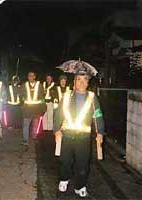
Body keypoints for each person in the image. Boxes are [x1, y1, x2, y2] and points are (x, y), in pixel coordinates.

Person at [54, 69, 105, 197]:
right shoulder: (66, 97)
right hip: (67, 135)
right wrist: (56, 130)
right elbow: (58, 114)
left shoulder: (92, 98)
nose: (82, 83)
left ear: (88, 83)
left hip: (83, 137)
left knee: (82, 163)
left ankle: (80, 186)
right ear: (74, 82)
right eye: (79, 80)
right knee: (65, 161)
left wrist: (100, 132)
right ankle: (64, 179)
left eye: (85, 80)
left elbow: (98, 116)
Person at [20, 71, 46, 146]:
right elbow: (21, 95)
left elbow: (42, 98)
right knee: (25, 125)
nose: (30, 77)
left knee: (35, 124)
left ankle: (34, 137)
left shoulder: (39, 85)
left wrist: (43, 108)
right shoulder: (24, 85)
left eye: (32, 76)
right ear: (28, 77)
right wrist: (22, 100)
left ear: (35, 77)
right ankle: (25, 140)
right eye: (29, 76)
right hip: (27, 109)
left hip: (36, 109)